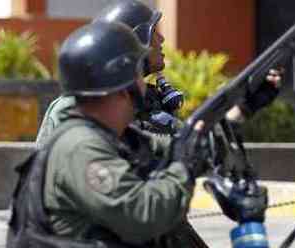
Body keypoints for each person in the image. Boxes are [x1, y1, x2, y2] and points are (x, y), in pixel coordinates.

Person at [9, 21, 211, 248]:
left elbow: (156, 176)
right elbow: (137, 204)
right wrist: (182, 168)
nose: (162, 41)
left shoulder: (129, 116)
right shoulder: (80, 135)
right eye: (152, 37)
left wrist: (233, 117)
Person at [35, 0, 280, 145]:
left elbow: (189, 146)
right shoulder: (77, 107)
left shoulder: (146, 102)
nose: (161, 39)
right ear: (134, 41)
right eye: (154, 32)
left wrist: (244, 107)